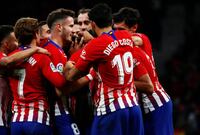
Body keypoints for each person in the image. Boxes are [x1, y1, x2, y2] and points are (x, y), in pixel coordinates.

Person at [65, 3, 144, 135]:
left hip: (111, 109)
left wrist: (72, 57)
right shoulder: (125, 35)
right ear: (112, 21)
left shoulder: (95, 45)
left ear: (93, 24)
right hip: (133, 108)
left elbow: (71, 76)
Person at [0, 25, 48, 135]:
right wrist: (35, 49)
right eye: (15, 41)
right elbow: (8, 61)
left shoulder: (4, 64)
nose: (19, 44)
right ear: (6, 44)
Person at [113, 7, 173, 135]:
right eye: (115, 29)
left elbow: (134, 40)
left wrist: (99, 41)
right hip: (143, 107)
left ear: (134, 28)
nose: (117, 33)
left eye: (121, 30)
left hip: (158, 104)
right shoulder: (122, 46)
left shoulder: (141, 39)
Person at [8, 17, 69, 135]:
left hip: (16, 121)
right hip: (37, 119)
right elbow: (60, 83)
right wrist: (66, 68)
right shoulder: (42, 57)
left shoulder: (10, 58)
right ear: (36, 34)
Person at [44, 8, 81, 135]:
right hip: (56, 112)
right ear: (59, 27)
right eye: (71, 26)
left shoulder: (58, 50)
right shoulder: (52, 51)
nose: (74, 30)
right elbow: (60, 91)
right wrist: (91, 75)